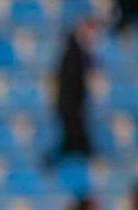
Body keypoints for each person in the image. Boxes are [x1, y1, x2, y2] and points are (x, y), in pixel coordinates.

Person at [52, 16, 97, 161]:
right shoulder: (73, 53)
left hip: (71, 103)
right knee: (73, 135)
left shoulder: (77, 51)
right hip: (71, 103)